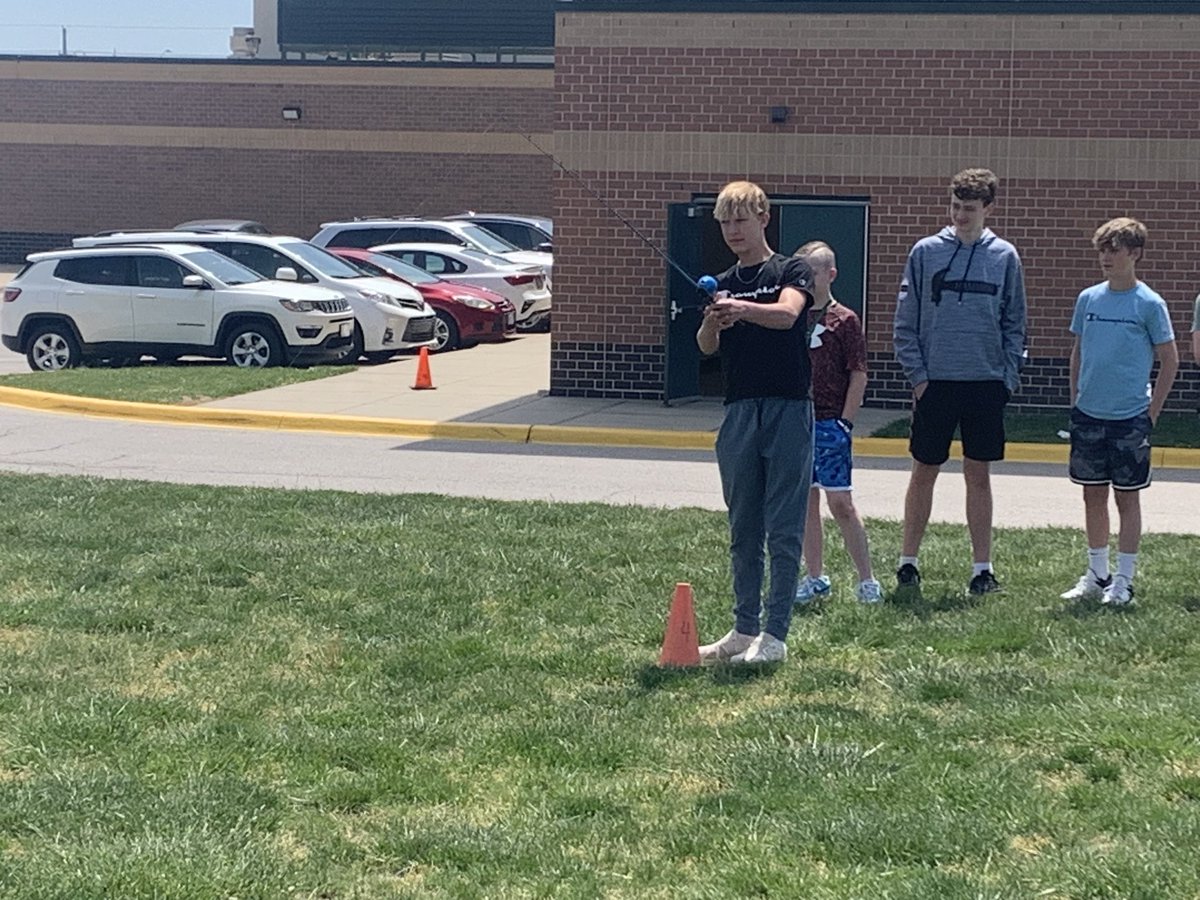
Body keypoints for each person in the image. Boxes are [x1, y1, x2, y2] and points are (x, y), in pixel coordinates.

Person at [892, 167, 1027, 597]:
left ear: (989, 208)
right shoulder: (925, 252)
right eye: (955, 207)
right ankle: (907, 563)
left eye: (969, 209)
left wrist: (1007, 377)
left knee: (979, 474)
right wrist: (919, 379)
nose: (960, 216)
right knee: (923, 472)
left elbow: (1016, 322)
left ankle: (981, 569)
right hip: (936, 384)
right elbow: (904, 324)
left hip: (986, 382)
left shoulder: (1004, 256)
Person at [696, 181, 815, 665]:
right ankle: (744, 630)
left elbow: (788, 315)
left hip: (788, 408)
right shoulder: (724, 281)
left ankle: (776, 636)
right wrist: (712, 323)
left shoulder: (792, 269)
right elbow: (706, 348)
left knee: (784, 527)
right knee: (743, 527)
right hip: (739, 410)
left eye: (740, 220)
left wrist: (741, 309)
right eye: (724, 222)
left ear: (763, 218)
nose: (732, 231)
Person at [1060, 218, 1178, 607]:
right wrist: (1076, 399)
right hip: (1089, 415)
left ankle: (1124, 581)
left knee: (1127, 499)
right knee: (1092, 497)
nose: (1106, 257)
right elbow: (1078, 352)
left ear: (1135, 254)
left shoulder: (1149, 303)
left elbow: (1169, 360)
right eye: (1102, 250)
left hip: (1130, 418)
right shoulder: (1088, 299)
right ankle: (1097, 574)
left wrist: (1152, 413)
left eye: (1114, 249)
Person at [790, 241, 882, 606]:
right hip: (797, 421)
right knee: (805, 502)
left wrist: (845, 421)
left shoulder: (845, 319)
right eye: (801, 273)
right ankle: (815, 576)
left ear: (830, 274)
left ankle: (867, 579)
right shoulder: (792, 317)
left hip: (830, 422)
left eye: (812, 272)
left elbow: (857, 373)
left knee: (840, 502)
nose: (807, 279)